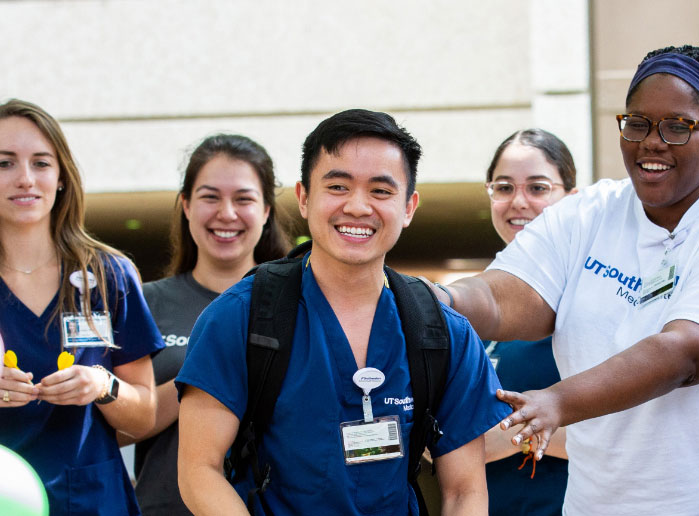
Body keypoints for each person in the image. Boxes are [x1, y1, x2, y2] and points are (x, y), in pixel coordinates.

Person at [433, 34, 699, 514]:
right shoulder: (587, 214)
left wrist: (556, 402)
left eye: (677, 126)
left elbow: (684, 354)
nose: (652, 141)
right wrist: (438, 301)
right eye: (638, 124)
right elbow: (507, 296)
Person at [175, 109, 509, 515]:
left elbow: (465, 492)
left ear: (408, 207)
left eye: (381, 191)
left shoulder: (443, 333)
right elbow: (199, 470)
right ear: (303, 197)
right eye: (337, 186)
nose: (357, 206)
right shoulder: (240, 318)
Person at [0, 99, 162, 515]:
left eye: (41, 163)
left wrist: (103, 386)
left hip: (91, 501)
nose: (25, 179)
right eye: (6, 163)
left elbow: (144, 417)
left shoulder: (109, 277)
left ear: (61, 177)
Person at [129, 134, 291, 516]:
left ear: (266, 209)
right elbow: (118, 430)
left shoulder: (297, 304)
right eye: (210, 196)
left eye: (244, 199)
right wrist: (207, 368)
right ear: (186, 205)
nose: (227, 213)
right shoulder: (144, 303)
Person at [476, 129, 577, 515]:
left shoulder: (594, 299)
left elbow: (633, 427)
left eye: (537, 187)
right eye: (503, 187)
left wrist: (511, 436)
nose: (518, 202)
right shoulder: (473, 309)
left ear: (571, 199)